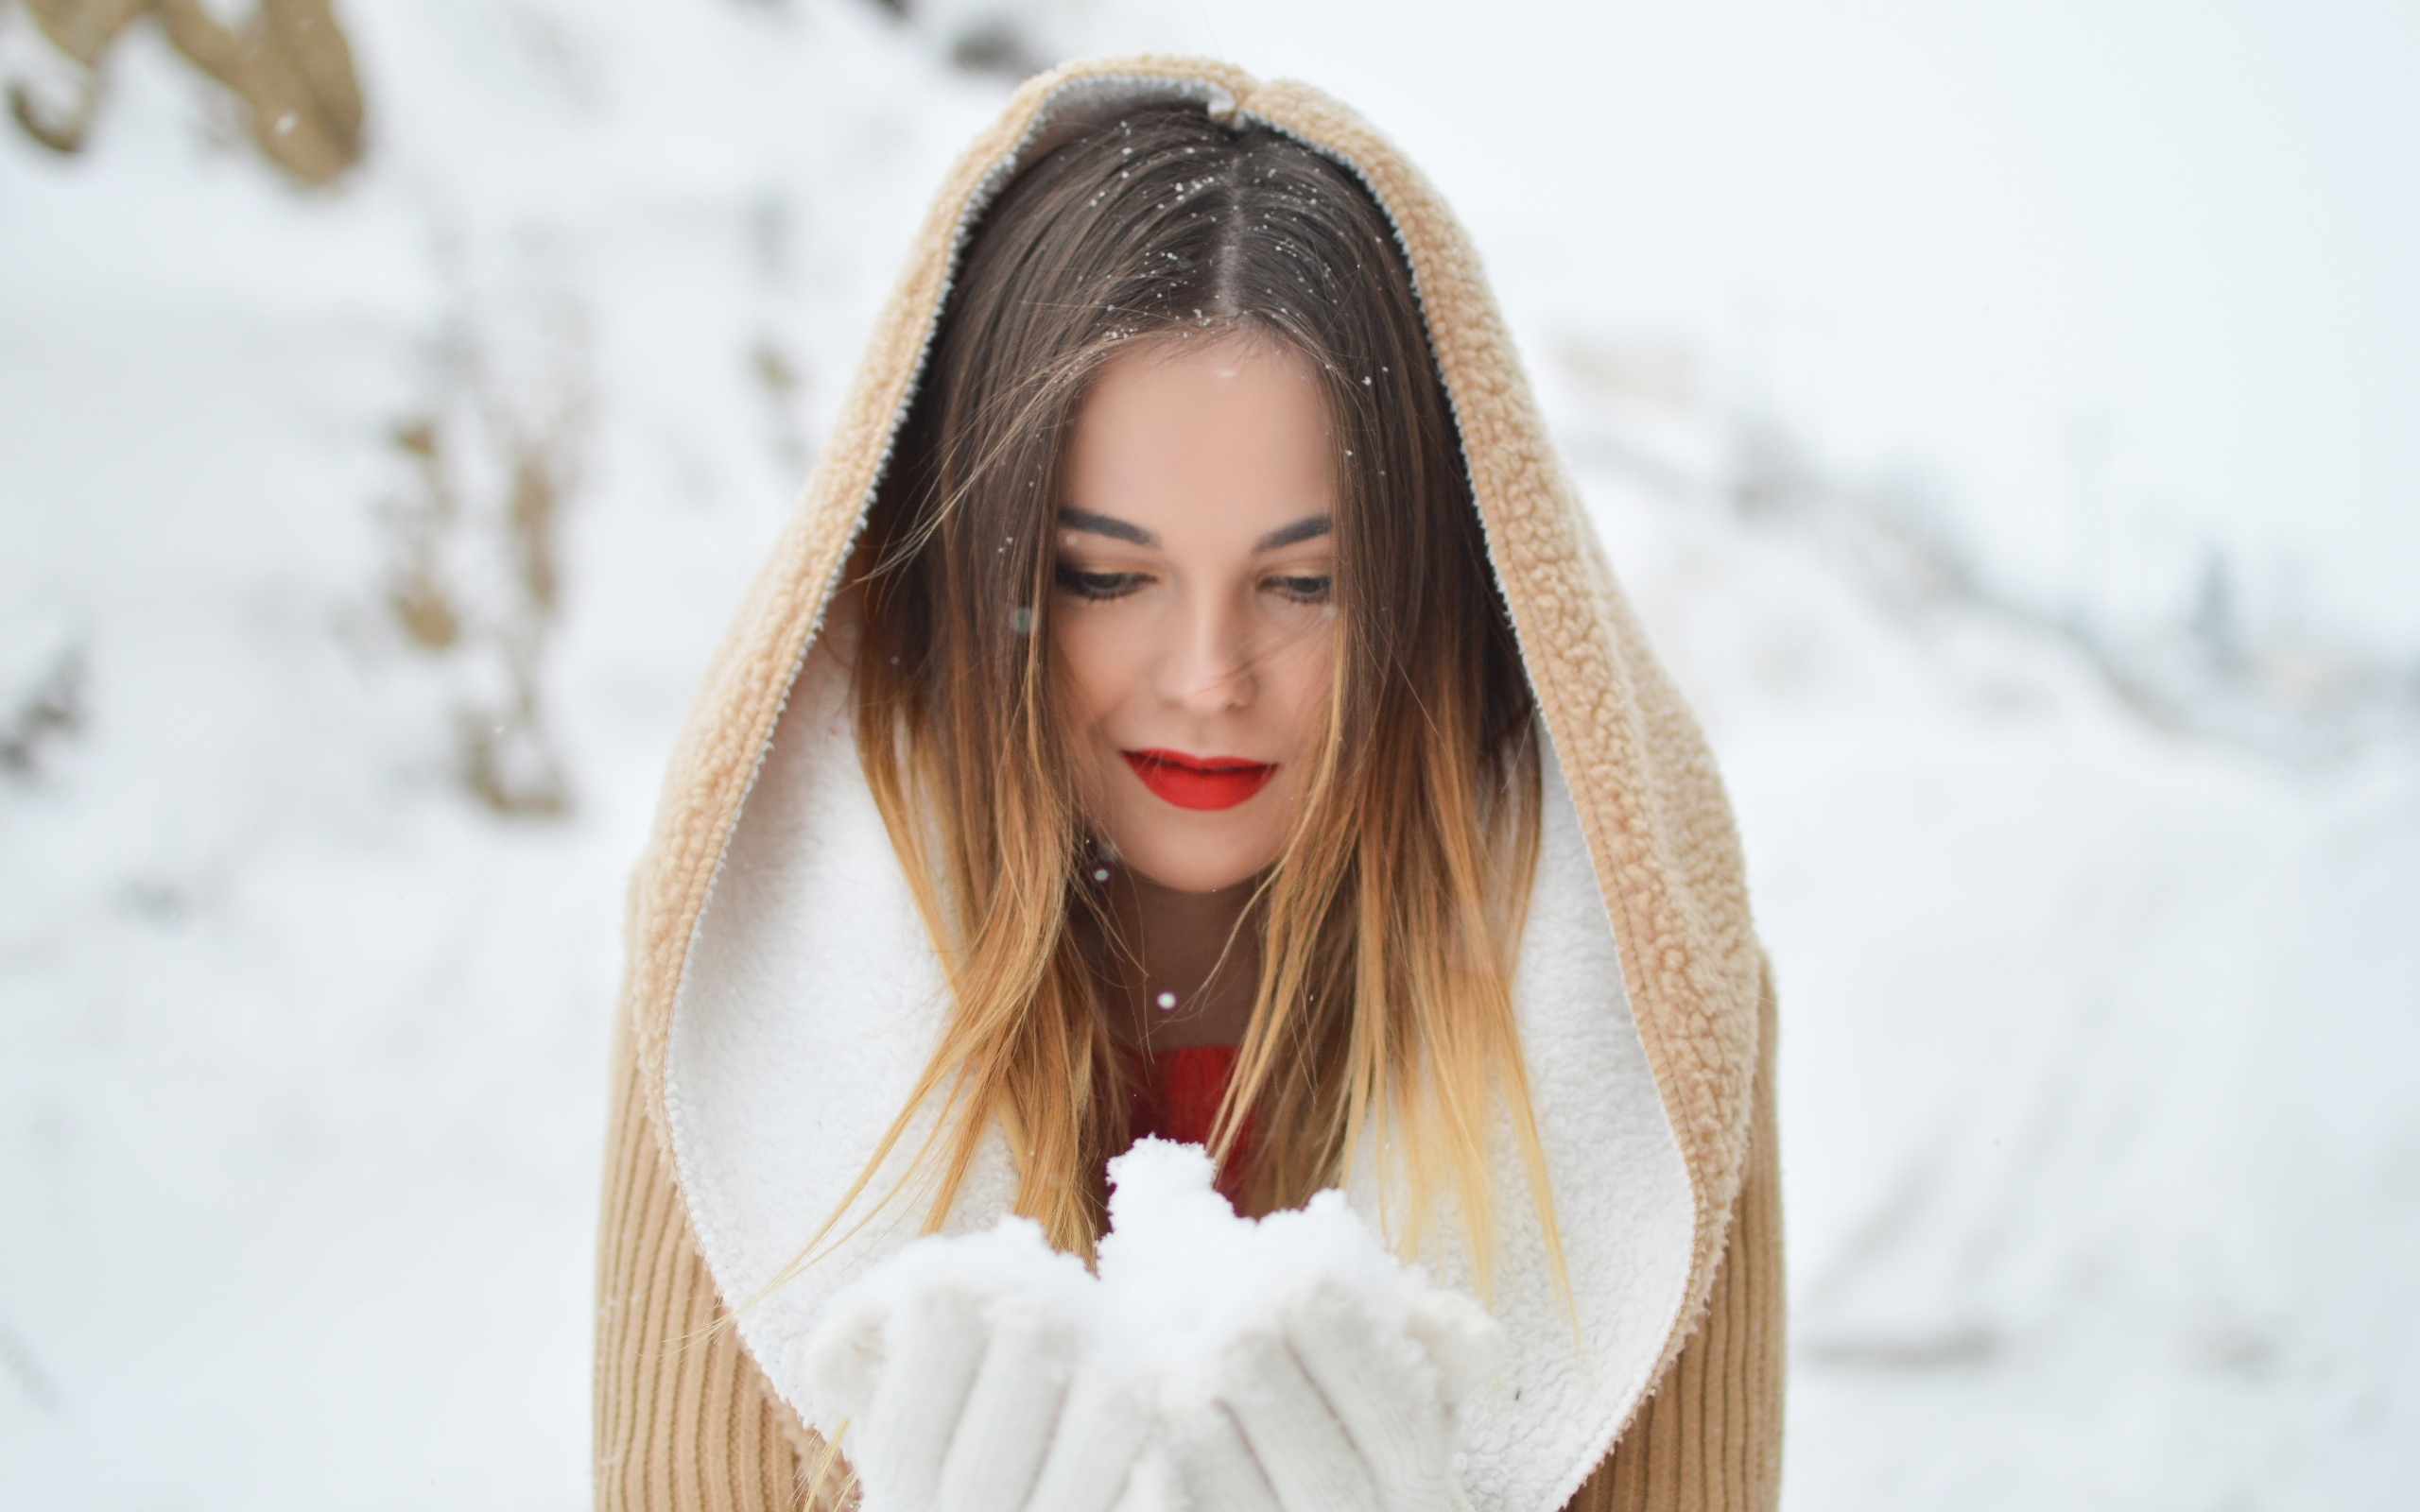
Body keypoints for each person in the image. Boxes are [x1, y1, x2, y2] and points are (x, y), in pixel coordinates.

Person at [595, 57, 1782, 1512]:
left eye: (1306, 584)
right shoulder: (749, 977)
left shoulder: (1641, 1012)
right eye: (1106, 577)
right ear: (977, 572)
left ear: (1435, 593)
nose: (1211, 677)